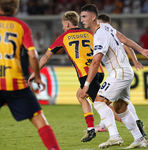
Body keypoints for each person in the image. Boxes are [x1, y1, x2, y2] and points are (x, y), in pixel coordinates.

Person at [80, 4, 148, 149]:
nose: (82, 20)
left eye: (84, 16)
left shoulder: (99, 34)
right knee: (120, 108)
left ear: (93, 17)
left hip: (118, 72)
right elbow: (123, 38)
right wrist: (141, 50)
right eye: (81, 17)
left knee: (98, 102)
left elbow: (96, 62)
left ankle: (114, 136)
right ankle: (139, 139)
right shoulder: (106, 27)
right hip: (126, 71)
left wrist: (86, 85)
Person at [28, 11, 105, 142]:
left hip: (86, 75)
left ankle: (134, 123)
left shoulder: (63, 37)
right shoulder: (89, 33)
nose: (63, 27)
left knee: (103, 105)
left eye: (63, 25)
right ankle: (91, 128)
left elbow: (45, 57)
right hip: (99, 71)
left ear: (68, 24)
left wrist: (35, 73)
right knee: (81, 95)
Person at [0, 1, 60, 150]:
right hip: (16, 83)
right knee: (39, 119)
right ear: (15, 7)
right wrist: (37, 77)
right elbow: (32, 55)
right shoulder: (21, 26)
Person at [95, 13, 147, 140]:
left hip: (119, 72)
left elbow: (128, 48)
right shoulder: (113, 33)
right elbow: (128, 47)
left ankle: (112, 131)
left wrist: (136, 61)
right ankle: (137, 129)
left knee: (100, 102)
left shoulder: (106, 34)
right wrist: (135, 61)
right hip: (123, 71)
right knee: (121, 103)